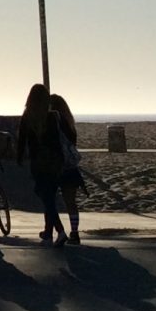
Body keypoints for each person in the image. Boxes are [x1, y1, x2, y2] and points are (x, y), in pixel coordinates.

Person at [14, 84, 70, 247]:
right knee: (49, 195)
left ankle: (59, 231)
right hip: (55, 161)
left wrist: (19, 158)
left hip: (38, 162)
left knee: (45, 196)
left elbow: (22, 140)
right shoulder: (53, 116)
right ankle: (47, 231)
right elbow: (62, 138)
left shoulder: (28, 115)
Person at [48, 93, 85, 245]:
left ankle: (53, 230)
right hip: (70, 167)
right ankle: (74, 232)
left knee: (50, 199)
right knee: (71, 201)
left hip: (55, 165)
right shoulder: (70, 124)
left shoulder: (52, 121)